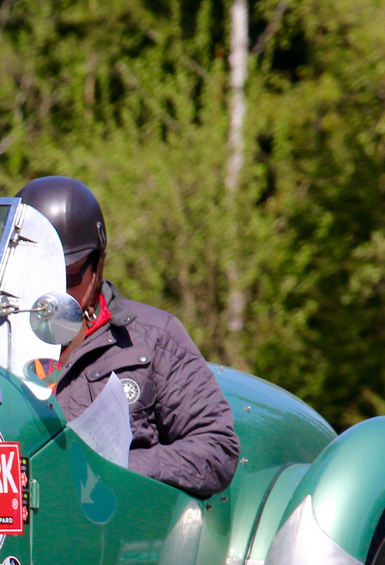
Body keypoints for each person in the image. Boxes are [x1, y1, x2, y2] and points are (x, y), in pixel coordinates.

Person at [20, 176, 240, 498]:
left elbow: (217, 448)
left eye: (67, 276)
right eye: (39, 272)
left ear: (98, 262)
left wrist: (119, 468)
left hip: (117, 528)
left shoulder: (152, 337)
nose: (52, 290)